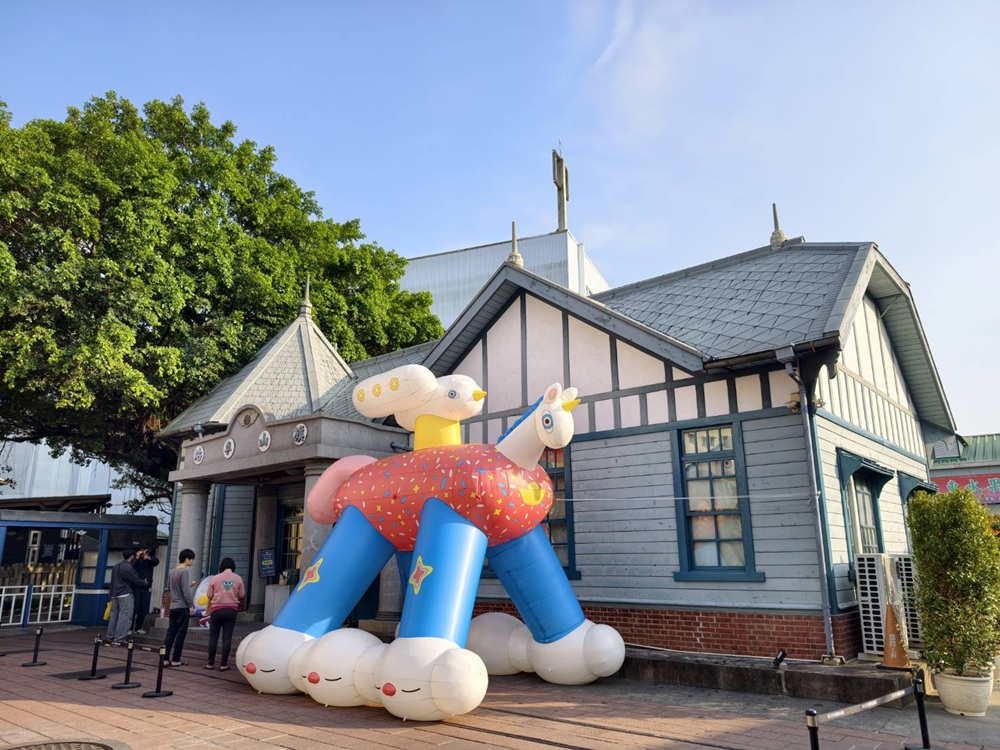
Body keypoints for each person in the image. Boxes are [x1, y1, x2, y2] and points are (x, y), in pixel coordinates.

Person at [204, 557, 245, 671]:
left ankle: (210, 663)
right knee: (227, 637)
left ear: (222, 566)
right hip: (231, 610)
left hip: (216, 609)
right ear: (233, 567)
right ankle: (223, 664)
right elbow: (242, 595)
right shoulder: (238, 578)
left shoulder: (215, 578)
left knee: (213, 636)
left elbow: (209, 594)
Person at [105, 548, 150, 646]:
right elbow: (135, 580)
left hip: (114, 594)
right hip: (125, 594)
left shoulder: (116, 566)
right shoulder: (128, 567)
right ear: (132, 556)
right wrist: (144, 582)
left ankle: (110, 637)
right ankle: (119, 639)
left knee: (114, 617)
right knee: (125, 617)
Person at [162, 548, 196, 667]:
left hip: (173, 606)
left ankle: (165, 658)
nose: (192, 562)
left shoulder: (172, 571)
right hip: (182, 607)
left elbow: (169, 588)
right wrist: (190, 606)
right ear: (187, 559)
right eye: (191, 560)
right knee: (181, 633)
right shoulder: (184, 572)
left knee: (171, 632)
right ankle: (176, 659)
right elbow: (185, 592)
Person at [130, 545, 159, 635]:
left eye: (146, 551)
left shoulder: (149, 560)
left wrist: (148, 558)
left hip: (145, 587)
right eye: (142, 550)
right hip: (135, 587)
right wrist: (138, 557)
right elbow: (132, 566)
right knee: (134, 607)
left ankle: (139, 627)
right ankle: (130, 628)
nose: (144, 552)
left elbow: (156, 562)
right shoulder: (135, 560)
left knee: (142, 608)